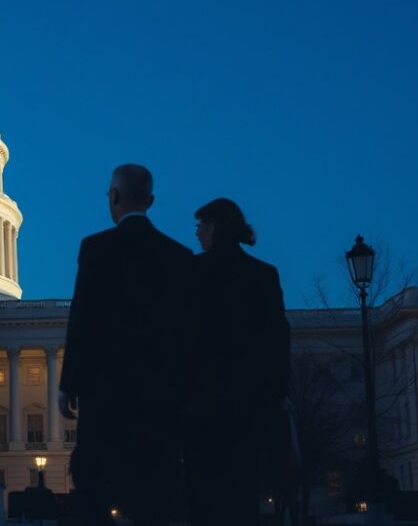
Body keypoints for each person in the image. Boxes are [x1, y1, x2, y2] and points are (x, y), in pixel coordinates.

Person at [59, 164, 194, 526]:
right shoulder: (180, 257)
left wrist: (68, 384)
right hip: (161, 403)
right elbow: (188, 335)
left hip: (107, 401)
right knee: (156, 500)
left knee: (98, 500)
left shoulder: (96, 248)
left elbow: (82, 320)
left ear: (114, 197)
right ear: (150, 200)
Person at [181, 198, 290, 526]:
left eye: (200, 225)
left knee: (202, 503)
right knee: (243, 500)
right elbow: (278, 344)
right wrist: (272, 399)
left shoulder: (193, 272)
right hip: (249, 411)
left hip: (202, 410)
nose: (197, 233)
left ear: (215, 227)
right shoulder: (264, 275)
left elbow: (180, 340)